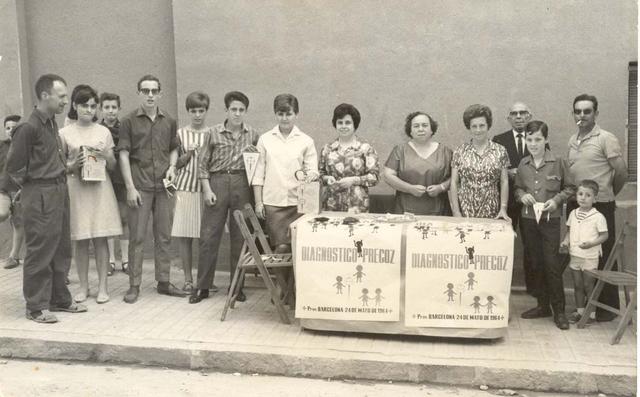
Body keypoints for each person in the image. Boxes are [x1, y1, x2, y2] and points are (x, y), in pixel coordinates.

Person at [6, 74, 87, 323]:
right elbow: (13, 167)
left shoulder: (51, 122)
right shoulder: (28, 128)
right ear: (44, 96)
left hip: (59, 190)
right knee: (40, 251)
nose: (67, 101)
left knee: (61, 248)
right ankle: (36, 307)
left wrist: (67, 167)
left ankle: (59, 299)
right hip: (40, 194)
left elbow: (50, 159)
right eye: (62, 96)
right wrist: (35, 187)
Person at [118, 74, 186, 303]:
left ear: (160, 93)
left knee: (164, 236)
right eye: (145, 91)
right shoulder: (128, 121)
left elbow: (174, 148)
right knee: (137, 237)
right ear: (139, 93)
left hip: (164, 188)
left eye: (154, 91)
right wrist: (130, 187)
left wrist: (173, 167)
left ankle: (164, 282)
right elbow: (124, 155)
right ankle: (134, 285)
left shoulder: (169, 120)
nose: (150, 95)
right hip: (141, 186)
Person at [189, 91, 260, 304]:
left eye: (241, 110)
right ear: (226, 110)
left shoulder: (254, 135)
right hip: (218, 183)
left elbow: (258, 163)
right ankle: (202, 286)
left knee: (240, 237)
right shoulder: (213, 133)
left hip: (242, 184)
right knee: (209, 236)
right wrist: (207, 190)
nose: (237, 114)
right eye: (233, 109)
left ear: (246, 112)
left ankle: (237, 287)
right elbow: (202, 165)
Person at [567, 94, 628, 322]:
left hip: (600, 206)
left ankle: (604, 309)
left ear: (596, 113)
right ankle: (584, 309)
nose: (582, 115)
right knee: (579, 253)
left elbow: (622, 172)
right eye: (578, 111)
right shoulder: (573, 140)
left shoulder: (606, 138)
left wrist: (608, 195)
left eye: (587, 111)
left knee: (601, 257)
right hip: (576, 204)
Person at [60, 85, 122, 304]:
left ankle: (103, 287)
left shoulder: (103, 131)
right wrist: (71, 164)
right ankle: (84, 287)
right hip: (77, 189)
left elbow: (113, 167)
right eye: (84, 105)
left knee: (100, 238)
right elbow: (60, 167)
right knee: (81, 239)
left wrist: (108, 155)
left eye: (92, 106)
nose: (89, 110)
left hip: (99, 189)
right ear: (75, 106)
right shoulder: (64, 133)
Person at [514, 120, 575, 330]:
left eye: (538, 139)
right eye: (529, 139)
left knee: (551, 265)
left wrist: (556, 201)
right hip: (529, 219)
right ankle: (542, 306)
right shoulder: (523, 164)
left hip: (551, 220)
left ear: (546, 140)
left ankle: (559, 311)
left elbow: (570, 188)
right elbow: (518, 189)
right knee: (536, 263)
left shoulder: (558, 161)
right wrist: (523, 196)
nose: (533, 143)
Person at [253, 93, 318, 254]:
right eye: (280, 114)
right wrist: (258, 202)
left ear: (296, 114)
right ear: (275, 114)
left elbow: (313, 170)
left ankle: (292, 281)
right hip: (273, 204)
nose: (284, 118)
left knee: (297, 248)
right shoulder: (265, 139)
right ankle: (278, 281)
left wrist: (310, 176)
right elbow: (258, 173)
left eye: (289, 114)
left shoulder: (306, 141)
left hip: (298, 205)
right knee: (281, 247)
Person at [171, 91, 212, 293]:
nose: (197, 115)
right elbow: (174, 164)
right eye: (193, 111)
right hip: (185, 189)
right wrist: (189, 153)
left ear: (206, 111)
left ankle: (205, 280)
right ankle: (188, 279)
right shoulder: (180, 134)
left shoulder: (212, 133)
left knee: (206, 238)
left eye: (201, 111)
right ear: (188, 111)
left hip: (205, 191)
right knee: (185, 236)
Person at [492, 102, 534, 294]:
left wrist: (523, 173)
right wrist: (508, 172)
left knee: (531, 244)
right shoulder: (499, 140)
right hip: (506, 201)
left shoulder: (537, 137)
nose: (518, 116)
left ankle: (533, 288)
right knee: (502, 243)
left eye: (522, 113)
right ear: (508, 118)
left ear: (529, 116)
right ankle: (500, 287)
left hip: (529, 200)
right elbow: (493, 168)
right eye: (514, 113)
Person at [383, 111, 452, 215]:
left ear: (431, 129)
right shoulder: (400, 150)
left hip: (439, 210)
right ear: (410, 131)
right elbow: (388, 175)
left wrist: (441, 187)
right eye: (416, 126)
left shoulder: (445, 152)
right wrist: (409, 188)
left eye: (425, 125)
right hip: (405, 210)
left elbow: (457, 178)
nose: (420, 129)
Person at [450, 104, 510, 221]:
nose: (478, 130)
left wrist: (503, 208)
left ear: (488, 126)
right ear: (469, 128)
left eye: (482, 125)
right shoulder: (459, 151)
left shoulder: (500, 150)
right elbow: (454, 182)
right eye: (474, 126)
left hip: (492, 209)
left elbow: (504, 181)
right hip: (465, 209)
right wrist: (456, 211)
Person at [561, 180, 608, 324]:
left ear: (595, 199)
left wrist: (591, 244)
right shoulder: (573, 214)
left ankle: (591, 314)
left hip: (589, 256)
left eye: (588, 195)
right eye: (580, 194)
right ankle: (579, 311)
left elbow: (604, 235)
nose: (583, 197)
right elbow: (569, 232)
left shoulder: (598, 217)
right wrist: (565, 241)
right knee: (577, 285)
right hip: (575, 255)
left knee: (588, 285)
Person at [319, 103, 379, 213]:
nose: (343, 126)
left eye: (348, 123)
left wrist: (353, 180)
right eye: (340, 123)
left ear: (354, 124)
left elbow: (374, 177)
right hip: (331, 204)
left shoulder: (365, 148)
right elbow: (320, 174)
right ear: (335, 124)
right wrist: (327, 179)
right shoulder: (327, 149)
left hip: (357, 205)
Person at [100, 92, 129, 276]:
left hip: (122, 179)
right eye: (107, 107)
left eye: (114, 107)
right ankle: (110, 260)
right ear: (101, 109)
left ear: (119, 109)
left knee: (124, 218)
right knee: (108, 219)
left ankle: (125, 260)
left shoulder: (125, 129)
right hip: (103, 179)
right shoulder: (97, 129)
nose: (110, 111)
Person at [1, 115, 25, 270]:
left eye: (15, 128)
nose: (11, 131)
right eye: (8, 128)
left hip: (20, 190)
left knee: (18, 221)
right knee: (1, 213)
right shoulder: (1, 146)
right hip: (2, 189)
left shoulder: (26, 148)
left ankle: (13, 256)